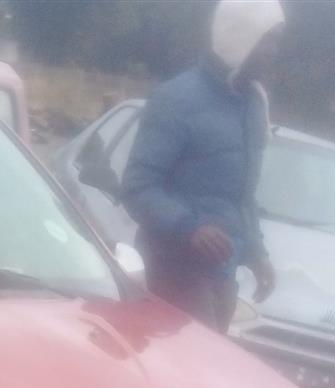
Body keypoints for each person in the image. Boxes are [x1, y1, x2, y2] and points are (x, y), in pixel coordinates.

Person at [121, 0, 285, 331]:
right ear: (241, 37)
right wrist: (189, 228)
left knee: (208, 374)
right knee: (185, 375)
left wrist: (257, 253)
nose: (274, 50)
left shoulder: (253, 104)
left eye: (277, 40)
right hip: (172, 272)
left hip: (221, 275)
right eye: (267, 39)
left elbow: (241, 197)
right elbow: (138, 187)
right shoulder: (176, 100)